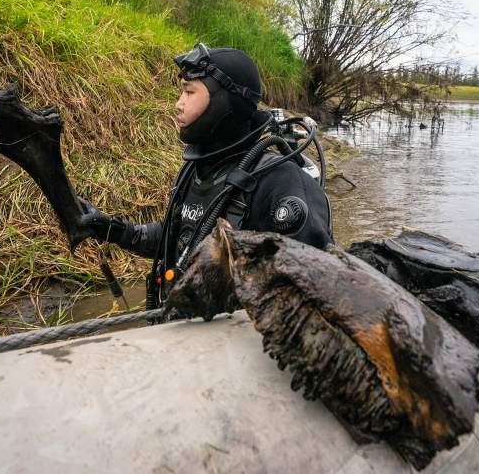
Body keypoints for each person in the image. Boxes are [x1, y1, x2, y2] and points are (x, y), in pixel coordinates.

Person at [77, 43, 333, 309]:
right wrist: (110, 229)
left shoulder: (279, 181)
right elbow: (178, 238)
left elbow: (317, 290)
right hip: (180, 331)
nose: (178, 104)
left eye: (189, 92)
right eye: (181, 92)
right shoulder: (197, 169)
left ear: (225, 102)